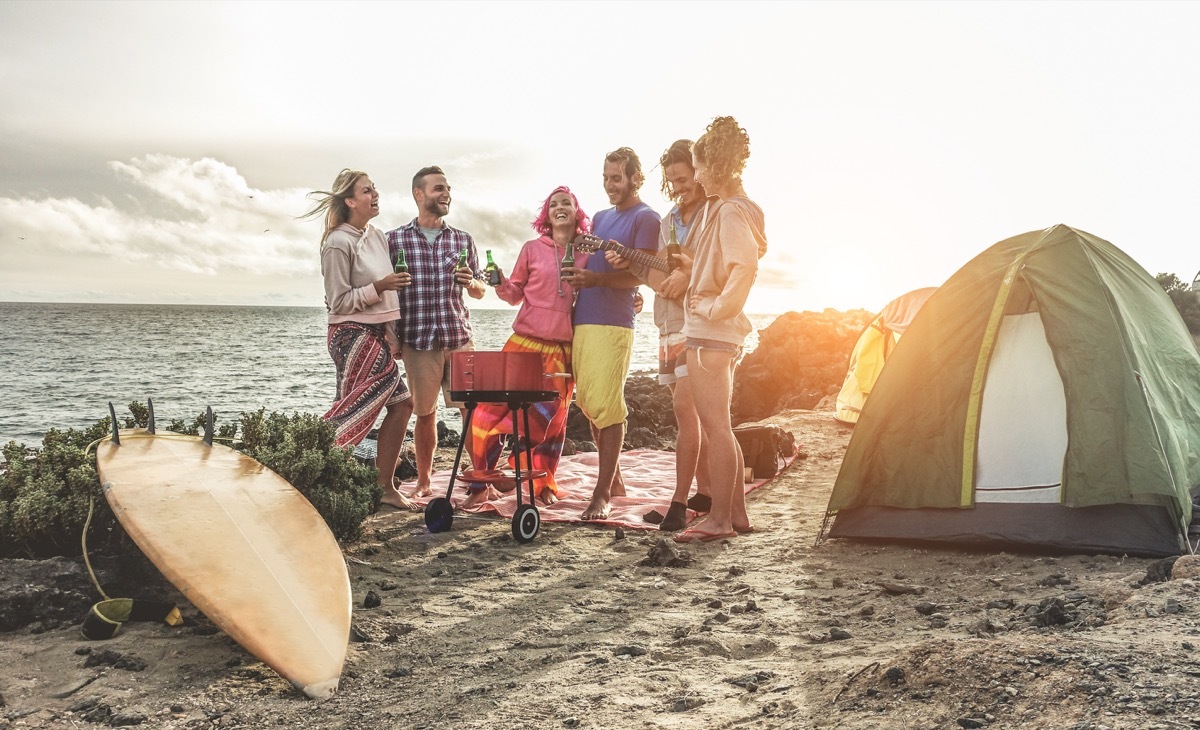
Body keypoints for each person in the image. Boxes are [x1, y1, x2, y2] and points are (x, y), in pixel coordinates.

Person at [462, 186, 592, 508]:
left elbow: (600, 293)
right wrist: (501, 283)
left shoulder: (589, 252)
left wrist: (632, 297)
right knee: (485, 414)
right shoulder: (532, 249)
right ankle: (482, 483)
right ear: (546, 216)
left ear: (577, 213)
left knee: (548, 423)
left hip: (561, 351)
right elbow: (514, 294)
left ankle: (541, 483)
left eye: (567, 203)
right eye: (553, 204)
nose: (560, 207)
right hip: (523, 344)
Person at [605, 139, 712, 531]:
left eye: (684, 179)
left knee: (687, 412)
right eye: (672, 181)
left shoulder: (712, 215)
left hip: (699, 325)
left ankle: (680, 503)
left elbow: (716, 268)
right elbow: (655, 277)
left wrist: (688, 277)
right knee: (688, 414)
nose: (679, 187)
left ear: (699, 174)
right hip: (667, 326)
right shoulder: (668, 220)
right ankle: (705, 492)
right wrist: (630, 261)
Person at [673, 117, 767, 543]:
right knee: (722, 426)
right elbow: (727, 262)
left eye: (698, 167)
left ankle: (719, 521)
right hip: (719, 332)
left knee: (716, 430)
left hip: (712, 333)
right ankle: (739, 516)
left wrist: (712, 305)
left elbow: (743, 266)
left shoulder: (729, 210)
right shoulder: (738, 207)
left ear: (714, 166)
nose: (695, 176)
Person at [306, 169, 417, 510]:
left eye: (375, 189)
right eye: (367, 191)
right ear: (350, 201)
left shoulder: (377, 236)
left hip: (376, 334)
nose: (375, 194)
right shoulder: (337, 243)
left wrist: (392, 334)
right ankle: (307, 463)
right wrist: (381, 286)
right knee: (356, 408)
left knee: (401, 405)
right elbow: (338, 302)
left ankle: (382, 485)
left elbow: (387, 301)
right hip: (350, 335)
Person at [563, 148, 660, 520]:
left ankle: (601, 493)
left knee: (609, 405)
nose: (609, 185)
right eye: (605, 177)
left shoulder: (646, 217)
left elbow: (642, 274)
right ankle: (615, 479)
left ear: (636, 177)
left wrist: (600, 280)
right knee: (588, 401)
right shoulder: (600, 218)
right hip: (583, 318)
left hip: (614, 322)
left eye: (616, 178)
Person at [386, 166, 487, 500]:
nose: (446, 194)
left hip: (458, 336)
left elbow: (480, 289)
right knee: (424, 414)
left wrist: (471, 281)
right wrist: (392, 337)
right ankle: (425, 482)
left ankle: (479, 483)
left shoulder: (462, 240)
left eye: (448, 189)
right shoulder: (395, 240)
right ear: (419, 194)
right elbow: (389, 294)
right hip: (417, 340)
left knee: (468, 412)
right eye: (439, 188)